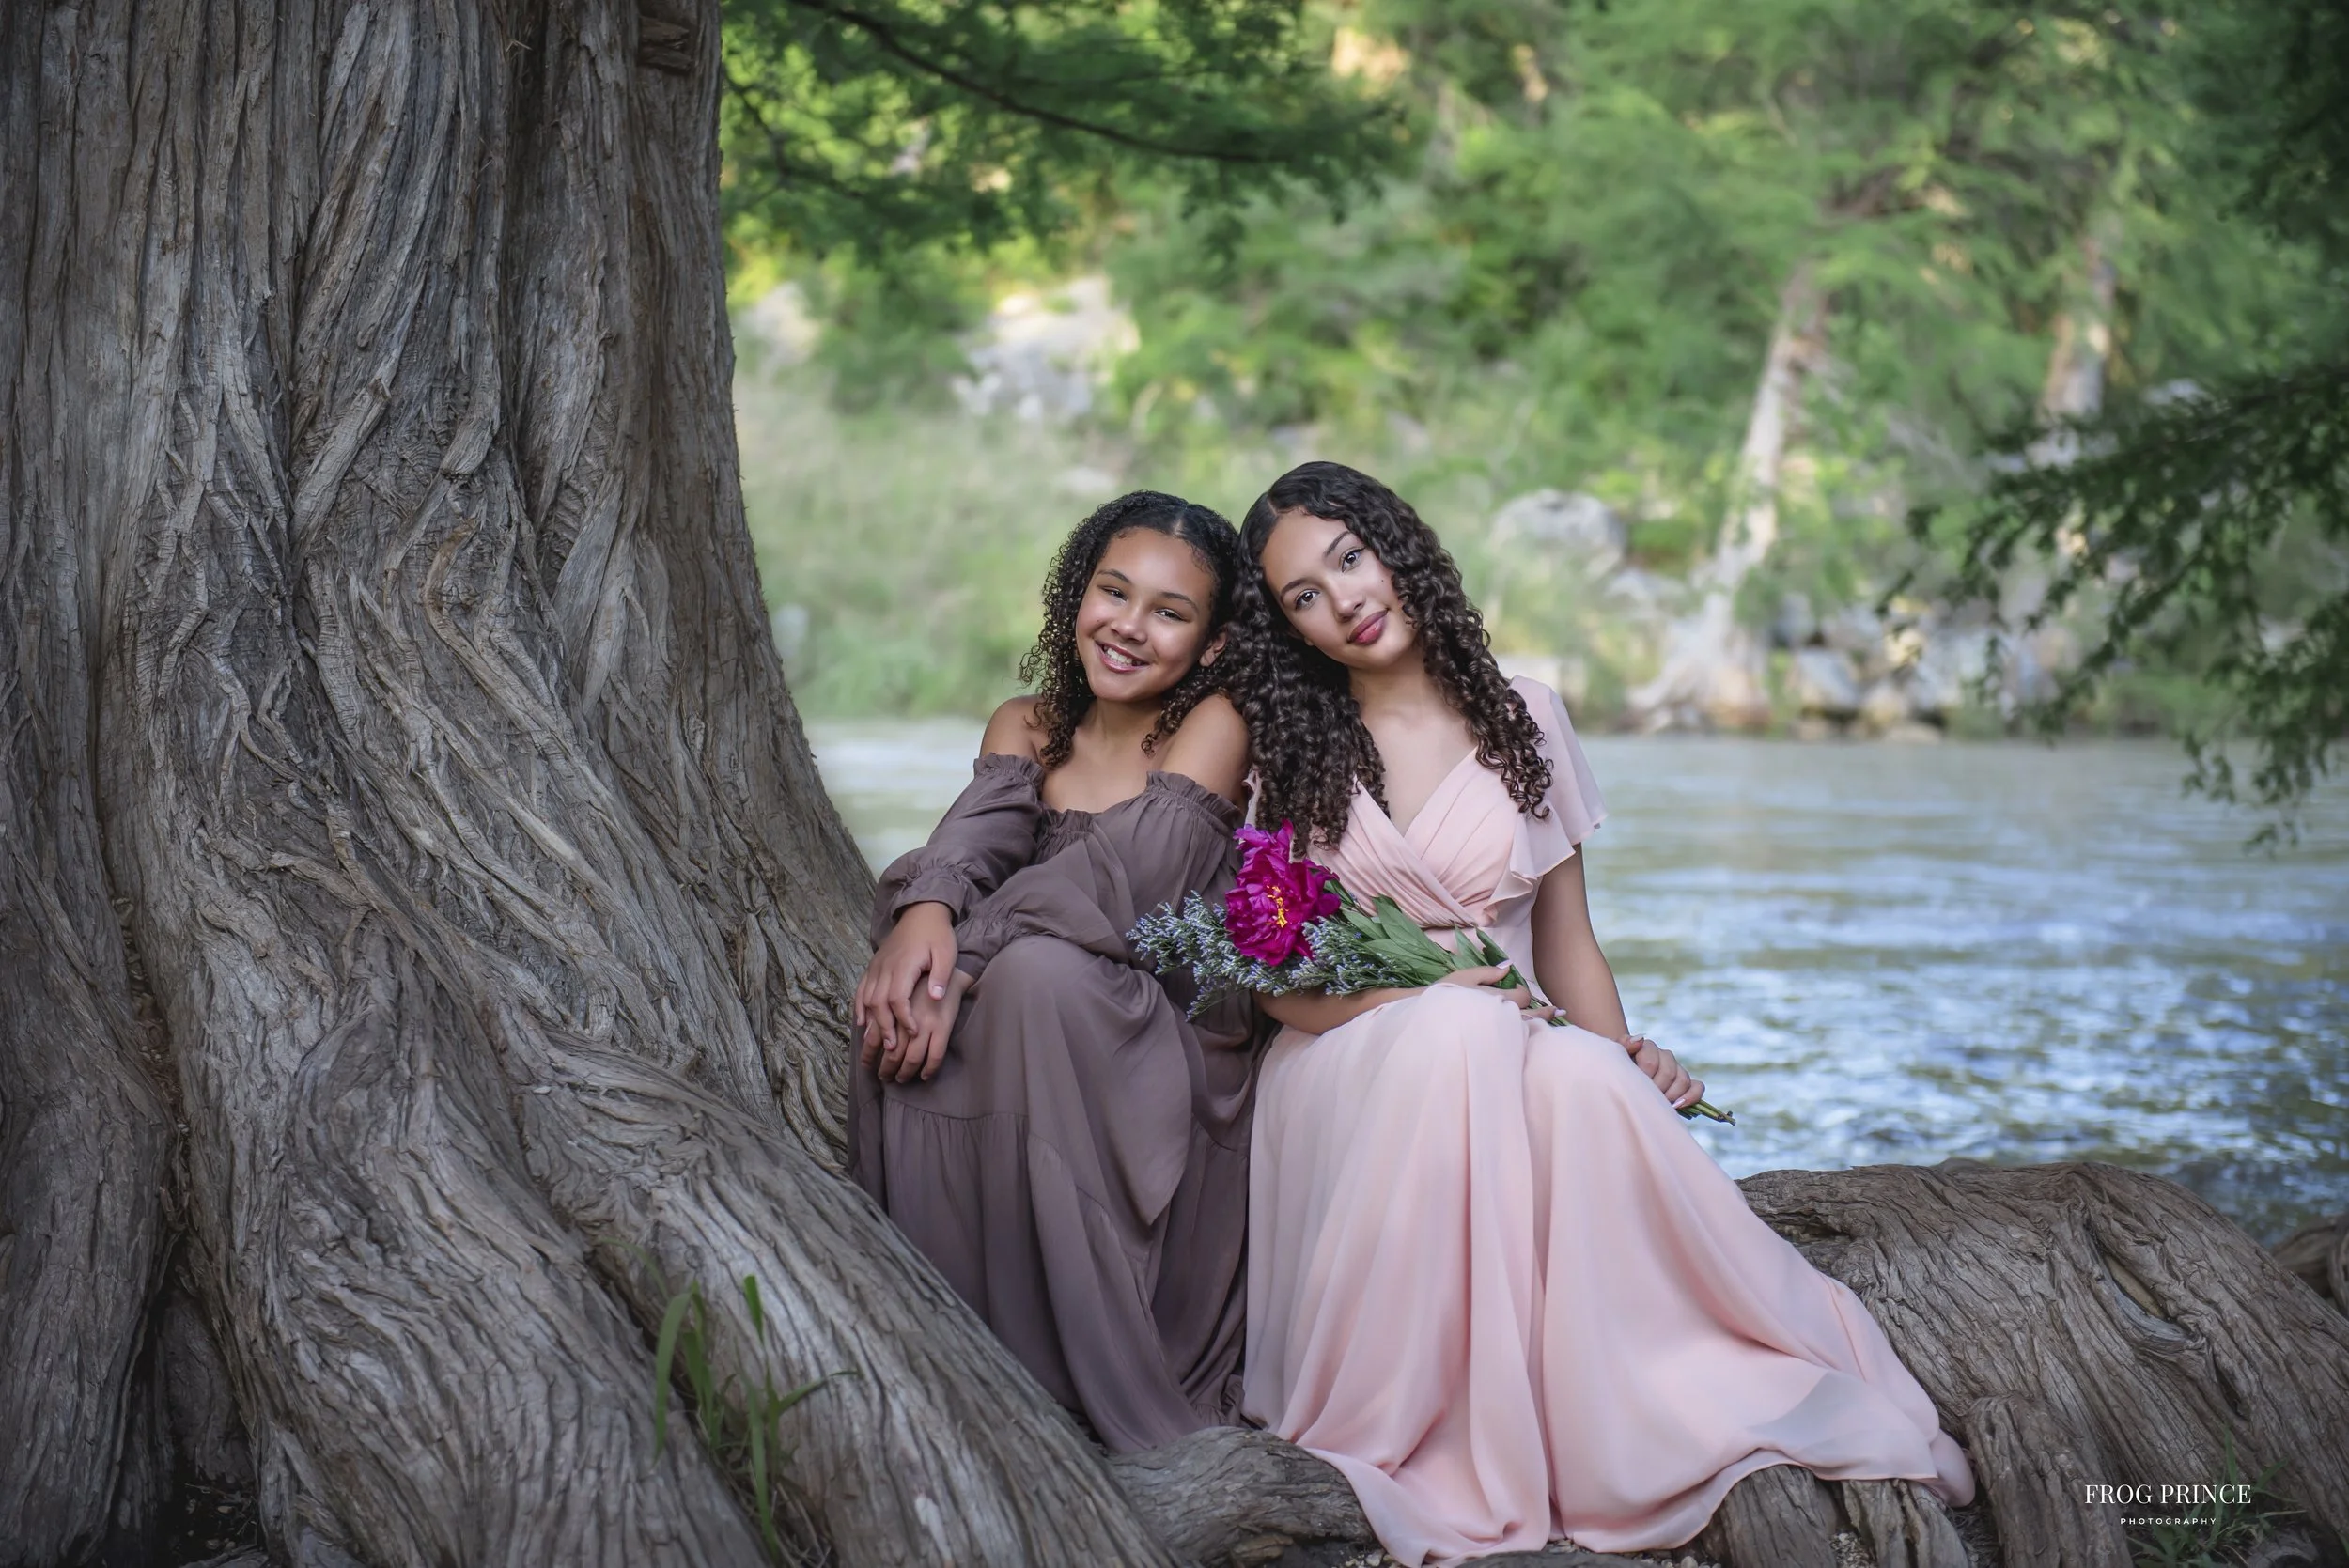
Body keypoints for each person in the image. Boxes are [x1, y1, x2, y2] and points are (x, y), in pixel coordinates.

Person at [1225, 461, 1974, 1564]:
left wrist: (1621, 1055)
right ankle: (1414, 1420)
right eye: (1301, 594)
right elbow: (1276, 986)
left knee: (1577, 1078)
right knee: (1461, 1031)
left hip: (1516, 1035)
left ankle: (1626, 1399)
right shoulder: (1294, 751)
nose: (1341, 597)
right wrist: (1419, 995)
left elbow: (1567, 937)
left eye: (1349, 557)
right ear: (1288, 626)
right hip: (1351, 1058)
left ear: (1395, 547)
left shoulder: (1523, 715)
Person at [849, 490, 1259, 1452]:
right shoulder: (1025, 725)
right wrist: (921, 918)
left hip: (1164, 1038)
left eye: (1169, 611)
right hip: (1028, 1013)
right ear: (1077, 595)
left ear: (1209, 646)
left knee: (1035, 975)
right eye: (1112, 593)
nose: (1128, 626)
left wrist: (961, 952)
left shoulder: (1215, 728)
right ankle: (974, 1350)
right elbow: (969, 847)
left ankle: (1095, 1363)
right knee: (910, 996)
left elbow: (1121, 884)